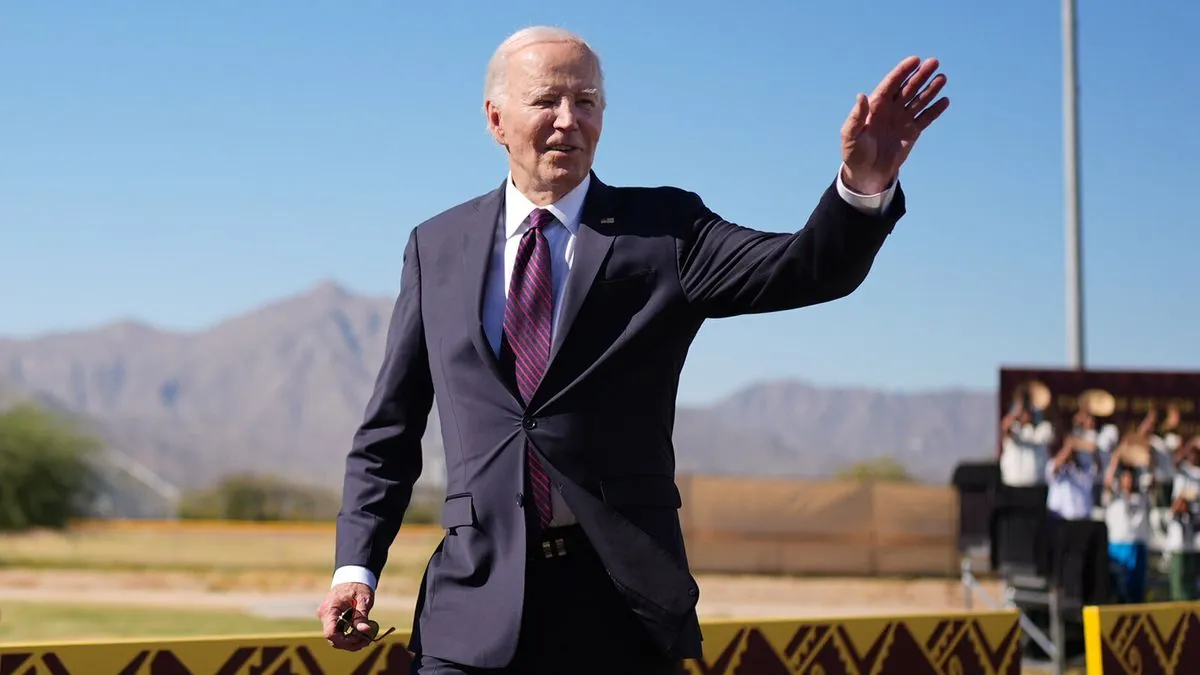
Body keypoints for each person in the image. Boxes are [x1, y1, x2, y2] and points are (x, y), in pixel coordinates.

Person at [317, 25, 950, 674]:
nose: (570, 120)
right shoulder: (436, 245)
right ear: (496, 118)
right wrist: (355, 565)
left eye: (587, 102)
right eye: (548, 100)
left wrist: (861, 186)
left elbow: (804, 268)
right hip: (471, 608)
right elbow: (390, 430)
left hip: (619, 609)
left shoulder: (666, 232)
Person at [1102, 456, 1150, 603]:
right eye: (1125, 477)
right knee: (1119, 588)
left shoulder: (1141, 497)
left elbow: (1151, 477)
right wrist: (1116, 458)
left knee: (1137, 589)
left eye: (1131, 477)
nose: (1128, 480)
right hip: (1118, 547)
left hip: (1137, 547)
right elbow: (1108, 482)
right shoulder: (1113, 497)